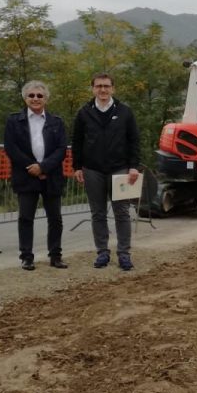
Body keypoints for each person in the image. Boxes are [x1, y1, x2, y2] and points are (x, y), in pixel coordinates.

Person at [71, 72, 141, 270]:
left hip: (119, 169)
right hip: (93, 169)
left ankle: (124, 253)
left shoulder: (125, 111)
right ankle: (102, 252)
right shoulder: (83, 112)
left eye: (106, 86)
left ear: (113, 89)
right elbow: (77, 141)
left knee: (122, 213)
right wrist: (77, 166)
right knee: (98, 213)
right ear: (93, 88)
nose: (103, 89)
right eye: (99, 86)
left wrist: (134, 166)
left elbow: (134, 141)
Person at [3, 80, 68, 270]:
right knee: (25, 217)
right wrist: (31, 167)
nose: (35, 99)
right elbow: (11, 148)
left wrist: (43, 168)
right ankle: (27, 257)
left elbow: (61, 149)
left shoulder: (57, 122)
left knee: (55, 218)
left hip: (51, 176)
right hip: (26, 176)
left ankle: (55, 256)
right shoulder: (14, 120)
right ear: (25, 98)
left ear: (46, 98)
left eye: (39, 95)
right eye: (31, 95)